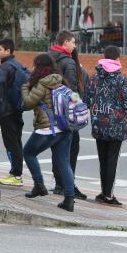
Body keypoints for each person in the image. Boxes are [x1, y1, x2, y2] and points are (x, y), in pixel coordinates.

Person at [21, 53, 75, 212]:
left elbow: (28, 102)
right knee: (64, 162)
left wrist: (25, 87)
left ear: (38, 67)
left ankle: (39, 185)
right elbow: (75, 99)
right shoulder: (61, 81)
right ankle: (69, 199)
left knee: (28, 153)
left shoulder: (42, 84)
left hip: (47, 129)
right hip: (65, 129)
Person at [86, 46, 127, 206]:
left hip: (98, 124)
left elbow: (87, 100)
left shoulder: (94, 78)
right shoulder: (121, 80)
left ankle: (103, 192)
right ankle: (108, 195)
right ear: (117, 60)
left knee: (103, 159)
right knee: (112, 160)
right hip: (116, 126)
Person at [47, 30, 88, 199]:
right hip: (67, 113)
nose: (74, 45)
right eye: (73, 42)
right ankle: (68, 185)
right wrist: (79, 106)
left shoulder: (49, 58)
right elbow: (72, 89)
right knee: (72, 148)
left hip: (52, 110)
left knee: (57, 147)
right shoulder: (69, 63)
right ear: (65, 43)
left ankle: (58, 183)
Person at [0, 38, 26, 187]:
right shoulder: (17, 65)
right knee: (16, 141)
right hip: (17, 109)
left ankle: (16, 174)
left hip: (7, 111)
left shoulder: (5, 67)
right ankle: (16, 173)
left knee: (11, 143)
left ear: (8, 51)